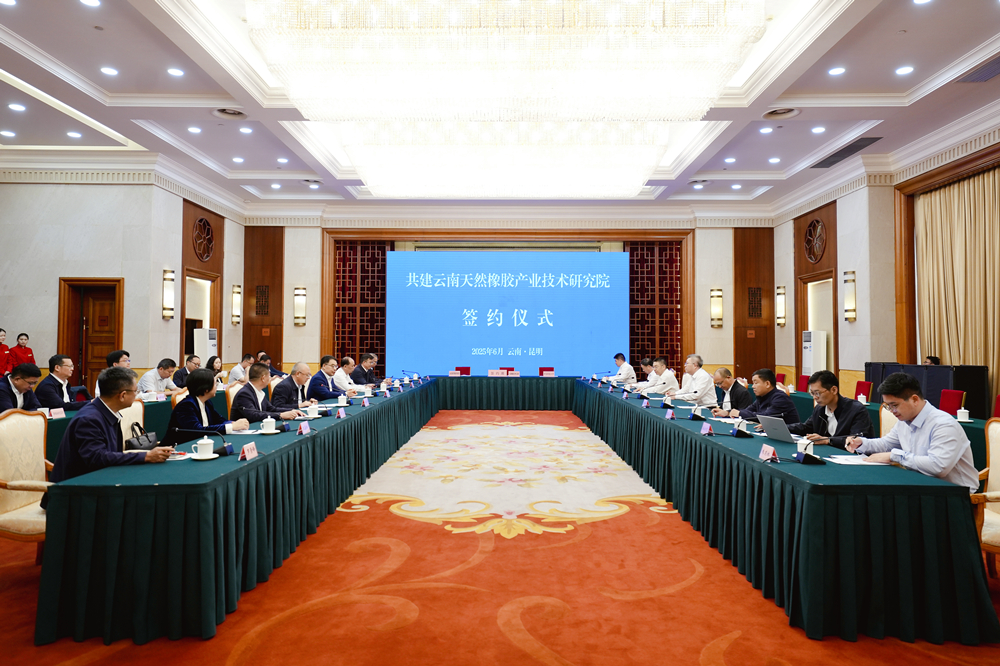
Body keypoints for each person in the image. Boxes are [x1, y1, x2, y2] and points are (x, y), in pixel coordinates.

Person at [45, 367, 173, 508]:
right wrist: (146, 456)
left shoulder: (105, 412)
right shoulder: (89, 419)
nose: (137, 395)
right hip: (74, 496)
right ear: (122, 395)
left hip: (97, 485)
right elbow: (97, 458)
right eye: (135, 391)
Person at [847, 372, 977, 492]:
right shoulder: (904, 421)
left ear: (914, 400)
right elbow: (886, 444)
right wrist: (862, 443)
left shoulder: (943, 424)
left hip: (956, 494)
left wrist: (895, 456)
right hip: (922, 488)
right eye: (888, 406)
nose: (892, 411)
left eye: (894, 405)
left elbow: (938, 467)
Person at [161, 368, 249, 447]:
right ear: (206, 389)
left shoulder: (206, 402)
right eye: (214, 384)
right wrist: (231, 427)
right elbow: (198, 431)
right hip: (176, 450)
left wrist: (234, 423)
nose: (216, 386)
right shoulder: (186, 406)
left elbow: (219, 420)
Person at [787, 370, 873, 449]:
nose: (815, 397)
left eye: (817, 393)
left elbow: (856, 440)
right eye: (812, 393)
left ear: (834, 390)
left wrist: (828, 440)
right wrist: (784, 427)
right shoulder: (820, 409)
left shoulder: (856, 410)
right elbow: (806, 428)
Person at [716, 368, 800, 424]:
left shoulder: (780, 398)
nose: (753, 386)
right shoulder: (762, 397)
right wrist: (728, 412)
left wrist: (740, 413)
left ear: (767, 384)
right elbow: (748, 410)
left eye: (756, 383)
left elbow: (765, 417)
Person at [231, 363, 304, 422]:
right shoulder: (244, 394)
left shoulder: (259, 391)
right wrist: (280, 415)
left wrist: (291, 410)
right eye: (269, 376)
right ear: (263, 378)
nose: (270, 379)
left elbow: (271, 409)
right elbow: (254, 415)